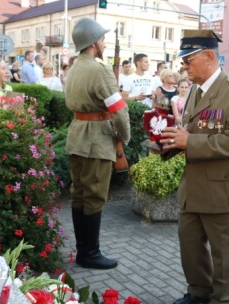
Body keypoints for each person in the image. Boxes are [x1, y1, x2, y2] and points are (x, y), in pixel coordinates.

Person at [159, 29, 229, 304]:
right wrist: (171, 143)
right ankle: (198, 293)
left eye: (188, 60)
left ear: (208, 56)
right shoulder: (194, 90)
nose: (184, 66)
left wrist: (189, 141)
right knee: (190, 247)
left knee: (226, 259)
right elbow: (191, 132)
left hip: (227, 191)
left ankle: (223, 300)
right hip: (195, 189)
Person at [65, 18, 130, 269]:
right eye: (102, 39)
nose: (104, 42)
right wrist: (125, 136)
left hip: (77, 134)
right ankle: (89, 254)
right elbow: (118, 109)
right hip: (95, 139)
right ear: (93, 43)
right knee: (94, 196)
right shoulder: (99, 69)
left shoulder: (74, 67)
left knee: (79, 195)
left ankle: (84, 250)